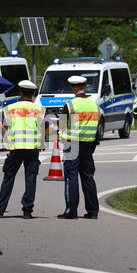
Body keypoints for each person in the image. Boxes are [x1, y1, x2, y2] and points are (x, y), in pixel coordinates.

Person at [0, 80, 46, 220]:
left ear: (20, 92)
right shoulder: (40, 109)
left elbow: (3, 126)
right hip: (32, 148)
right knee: (30, 179)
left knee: (8, 178)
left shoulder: (9, 108)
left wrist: (8, 140)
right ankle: (27, 211)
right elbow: (43, 129)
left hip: (15, 148)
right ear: (33, 94)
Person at [58, 76, 101, 220]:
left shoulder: (70, 105)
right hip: (88, 146)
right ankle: (93, 211)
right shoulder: (95, 105)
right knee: (88, 177)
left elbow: (62, 127)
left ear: (74, 87)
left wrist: (63, 141)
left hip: (73, 144)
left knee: (72, 177)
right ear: (84, 86)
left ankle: (71, 211)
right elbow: (98, 128)